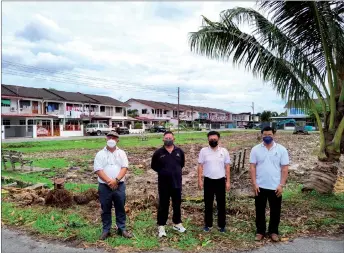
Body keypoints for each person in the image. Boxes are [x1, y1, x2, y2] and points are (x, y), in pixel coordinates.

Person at [249, 126, 289, 242]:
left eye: (269, 135)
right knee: (259, 210)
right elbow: (252, 167)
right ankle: (260, 231)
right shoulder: (255, 149)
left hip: (275, 186)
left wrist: (281, 185)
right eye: (265, 135)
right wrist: (254, 183)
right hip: (260, 186)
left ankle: (273, 231)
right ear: (261, 135)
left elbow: (285, 168)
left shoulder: (281, 150)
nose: (267, 137)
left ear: (274, 135)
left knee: (275, 210)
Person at [94, 130, 132, 240]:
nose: (111, 139)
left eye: (114, 138)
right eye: (109, 137)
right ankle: (106, 230)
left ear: (117, 140)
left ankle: (122, 229)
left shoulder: (122, 153)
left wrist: (116, 180)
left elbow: (124, 167)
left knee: (120, 207)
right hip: (104, 187)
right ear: (106, 139)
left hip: (119, 185)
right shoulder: (100, 154)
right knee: (105, 208)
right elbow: (98, 169)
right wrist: (109, 182)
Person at [151, 131, 186, 238]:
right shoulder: (158, 153)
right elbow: (153, 165)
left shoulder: (179, 151)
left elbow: (182, 164)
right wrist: (163, 172)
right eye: (166, 138)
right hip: (164, 184)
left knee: (177, 204)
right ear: (163, 139)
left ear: (174, 139)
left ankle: (177, 223)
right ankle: (161, 226)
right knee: (163, 205)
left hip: (177, 183)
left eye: (170, 137)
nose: (168, 139)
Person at [198, 131, 231, 233]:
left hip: (220, 181)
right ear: (208, 139)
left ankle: (222, 226)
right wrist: (199, 180)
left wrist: (228, 181)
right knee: (208, 204)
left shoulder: (224, 151)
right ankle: (208, 225)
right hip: (208, 181)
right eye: (211, 139)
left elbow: (227, 166)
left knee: (221, 204)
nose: (213, 141)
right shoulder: (203, 151)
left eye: (215, 139)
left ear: (218, 139)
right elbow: (200, 166)